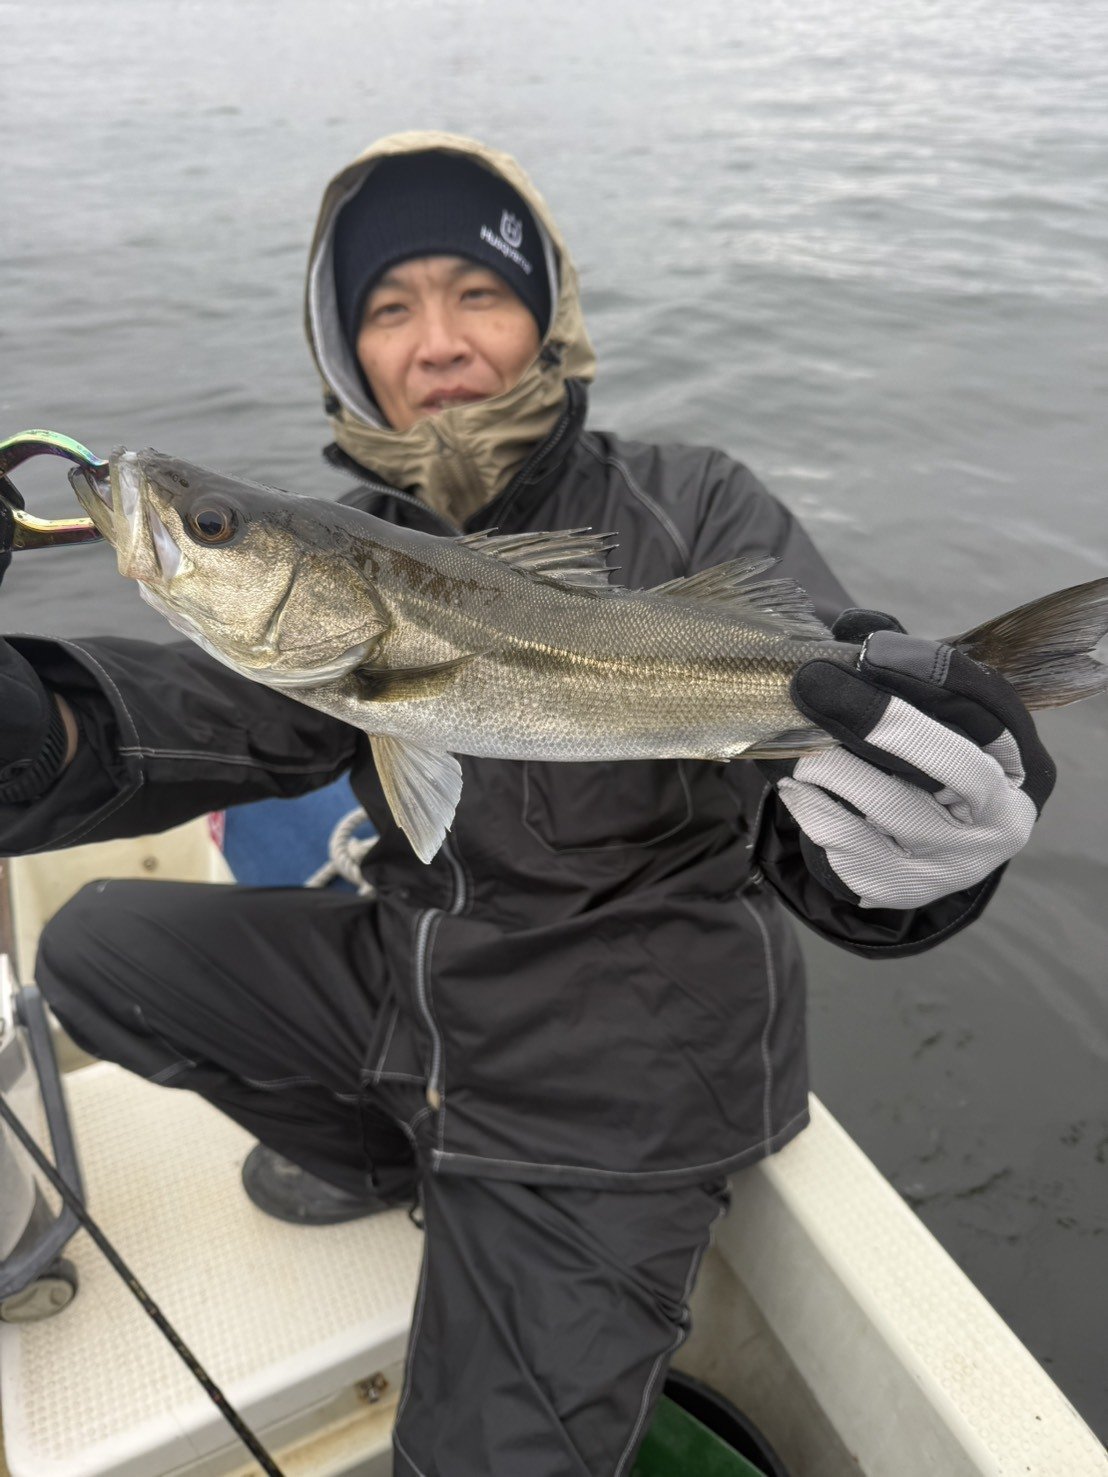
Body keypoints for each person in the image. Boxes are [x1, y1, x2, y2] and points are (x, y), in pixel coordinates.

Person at [0, 133, 1055, 1476]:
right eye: (390, 306)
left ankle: (488, 1187)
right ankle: (399, 1157)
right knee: (98, 951)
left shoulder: (692, 505)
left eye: (480, 293)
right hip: (427, 994)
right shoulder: (349, 559)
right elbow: (169, 724)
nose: (437, 339)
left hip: (628, 1068)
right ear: (346, 350)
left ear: (548, 320)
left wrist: (921, 843)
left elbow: (822, 813)